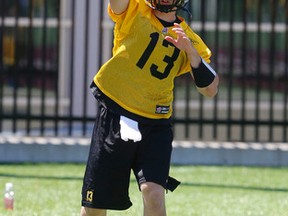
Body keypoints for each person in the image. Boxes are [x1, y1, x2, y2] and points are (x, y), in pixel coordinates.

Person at [80, 0, 219, 215]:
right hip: (116, 111)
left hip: (156, 123)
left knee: (153, 193)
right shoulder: (134, 9)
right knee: (95, 203)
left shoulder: (189, 38)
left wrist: (191, 53)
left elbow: (210, 89)